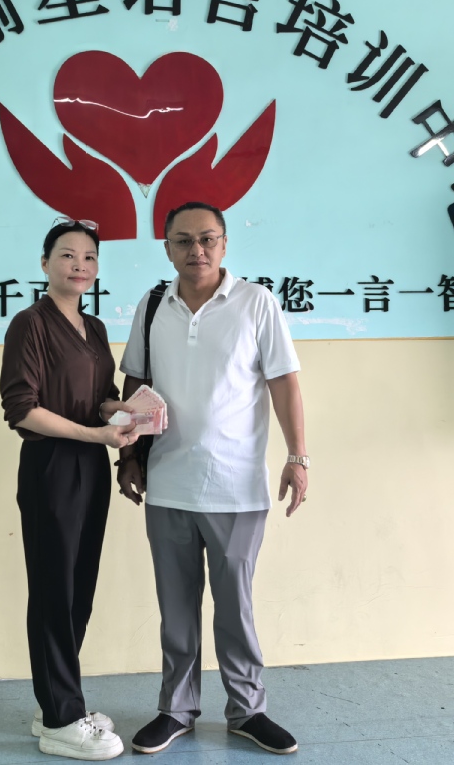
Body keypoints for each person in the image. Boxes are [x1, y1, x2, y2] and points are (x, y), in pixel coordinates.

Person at [116, 201, 311, 756]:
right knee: (176, 609)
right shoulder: (152, 306)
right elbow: (136, 383)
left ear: (225, 244)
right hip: (167, 482)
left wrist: (298, 457)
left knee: (235, 609)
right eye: (183, 241)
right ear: (167, 248)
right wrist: (128, 458)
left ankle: (248, 710)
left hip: (236, 487)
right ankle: (176, 710)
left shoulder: (256, 302)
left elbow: (284, 382)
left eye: (207, 239)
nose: (196, 250)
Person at [0, 218, 138, 761]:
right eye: (67, 255)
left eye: (89, 257)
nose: (80, 265)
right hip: (51, 464)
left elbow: (99, 396)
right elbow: (21, 408)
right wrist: (94, 434)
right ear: (45, 264)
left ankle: (55, 701)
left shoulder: (94, 328)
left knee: (79, 588)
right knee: (53, 589)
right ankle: (61, 720)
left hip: (91, 466)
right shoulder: (29, 324)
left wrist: (122, 411)